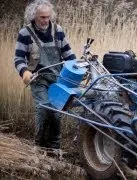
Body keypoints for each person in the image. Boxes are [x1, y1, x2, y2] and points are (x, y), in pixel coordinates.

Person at [14, 0, 76, 149]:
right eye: (42, 17)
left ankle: (54, 148)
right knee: (43, 107)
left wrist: (76, 67)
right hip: (38, 79)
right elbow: (18, 58)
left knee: (55, 112)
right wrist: (24, 71)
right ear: (34, 16)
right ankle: (39, 145)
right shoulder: (25, 33)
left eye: (48, 17)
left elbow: (68, 54)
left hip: (57, 78)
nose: (45, 20)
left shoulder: (58, 30)